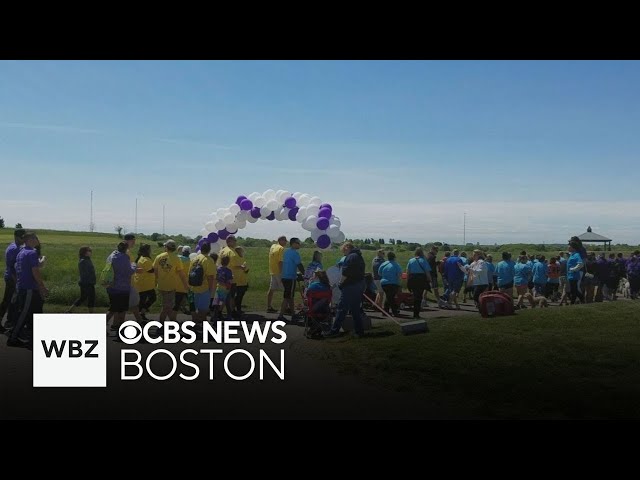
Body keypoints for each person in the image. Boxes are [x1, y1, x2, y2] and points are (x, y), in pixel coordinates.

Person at [7, 232, 47, 347]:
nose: (37, 240)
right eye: (36, 238)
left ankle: (33, 339)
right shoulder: (32, 252)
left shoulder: (22, 252)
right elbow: (35, 271)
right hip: (29, 288)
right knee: (24, 314)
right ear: (31, 240)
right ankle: (13, 338)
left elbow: (18, 267)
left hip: (24, 287)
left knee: (35, 313)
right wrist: (42, 287)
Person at [323, 242, 366, 338]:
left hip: (350, 286)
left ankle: (334, 331)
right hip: (359, 284)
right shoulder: (359, 256)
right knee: (355, 310)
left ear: (347, 248)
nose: (343, 253)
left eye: (343, 250)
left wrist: (340, 283)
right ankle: (359, 331)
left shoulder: (350, 257)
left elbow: (345, 273)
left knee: (342, 309)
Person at [153, 239, 189, 322]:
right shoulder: (176, 259)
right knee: (167, 306)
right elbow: (181, 274)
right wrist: (186, 285)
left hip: (161, 285)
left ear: (166, 247)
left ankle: (171, 321)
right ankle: (163, 323)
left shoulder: (159, 256)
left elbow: (155, 271)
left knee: (167, 305)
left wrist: (156, 282)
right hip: (171, 287)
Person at [106, 241, 137, 334]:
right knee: (122, 309)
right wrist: (134, 265)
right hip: (122, 287)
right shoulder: (124, 257)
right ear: (126, 249)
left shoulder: (112, 255)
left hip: (111, 286)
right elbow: (129, 272)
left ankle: (105, 325)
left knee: (113, 308)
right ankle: (120, 329)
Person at [0, 228, 26, 332]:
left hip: (11, 277)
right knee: (7, 301)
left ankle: (10, 321)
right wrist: (17, 282)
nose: (23, 240)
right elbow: (12, 268)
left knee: (12, 301)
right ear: (16, 237)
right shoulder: (14, 249)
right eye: (22, 238)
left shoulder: (14, 246)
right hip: (11, 278)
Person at [277, 238, 306, 323]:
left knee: (290, 296)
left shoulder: (287, 252)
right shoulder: (295, 253)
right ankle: (281, 315)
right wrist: (305, 274)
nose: (299, 244)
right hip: (290, 277)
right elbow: (299, 265)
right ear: (293, 244)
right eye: (298, 243)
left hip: (285, 276)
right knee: (287, 297)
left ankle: (293, 314)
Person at [189, 241, 217, 326]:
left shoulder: (194, 259)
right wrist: (211, 288)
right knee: (204, 309)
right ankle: (201, 325)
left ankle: (198, 323)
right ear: (209, 250)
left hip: (194, 287)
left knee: (197, 307)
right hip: (204, 287)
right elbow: (210, 276)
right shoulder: (208, 260)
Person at [66, 246, 96, 313]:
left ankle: (70, 311)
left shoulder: (86, 259)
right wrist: (90, 281)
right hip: (87, 283)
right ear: (85, 252)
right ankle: (91, 313)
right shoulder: (83, 261)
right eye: (89, 251)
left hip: (87, 282)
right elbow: (85, 274)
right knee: (90, 298)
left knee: (83, 298)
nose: (90, 252)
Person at [219, 235, 243, 317]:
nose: (236, 242)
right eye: (234, 241)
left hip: (222, 277)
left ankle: (219, 311)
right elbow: (234, 265)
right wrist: (241, 267)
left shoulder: (222, 250)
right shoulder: (231, 252)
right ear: (230, 241)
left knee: (222, 295)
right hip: (230, 278)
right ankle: (231, 311)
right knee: (231, 296)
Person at [406, 248, 431, 319]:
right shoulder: (423, 260)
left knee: (415, 295)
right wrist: (429, 279)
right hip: (421, 279)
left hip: (412, 278)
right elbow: (427, 271)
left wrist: (408, 280)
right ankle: (416, 313)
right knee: (419, 296)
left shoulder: (411, 260)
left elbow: (407, 271)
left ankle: (415, 312)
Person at [134, 243, 156, 321]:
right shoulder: (145, 260)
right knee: (151, 298)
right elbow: (151, 270)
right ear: (147, 250)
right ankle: (140, 315)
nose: (151, 250)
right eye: (150, 249)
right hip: (144, 284)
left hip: (144, 284)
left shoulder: (142, 258)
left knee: (145, 300)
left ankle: (141, 314)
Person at [378, 251, 403, 317]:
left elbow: (379, 273)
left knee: (389, 297)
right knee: (391, 297)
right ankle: (394, 311)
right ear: (394, 257)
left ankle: (385, 311)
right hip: (393, 283)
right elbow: (399, 274)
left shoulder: (384, 264)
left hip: (384, 283)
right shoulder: (396, 265)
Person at [267, 236, 287, 313]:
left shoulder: (273, 246)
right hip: (279, 272)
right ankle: (286, 308)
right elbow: (280, 261)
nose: (286, 242)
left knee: (271, 289)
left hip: (272, 270)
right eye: (285, 241)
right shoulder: (281, 248)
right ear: (281, 241)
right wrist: (282, 273)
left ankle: (269, 306)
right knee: (286, 290)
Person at [214, 256, 234, 320]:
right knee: (226, 302)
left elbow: (216, 278)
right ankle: (228, 316)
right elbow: (230, 281)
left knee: (217, 303)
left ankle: (215, 316)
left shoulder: (218, 269)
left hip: (219, 287)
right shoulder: (229, 271)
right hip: (226, 288)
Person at [174, 245, 191, 316]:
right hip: (188, 286)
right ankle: (196, 321)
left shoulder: (177, 259)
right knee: (192, 303)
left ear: (182, 252)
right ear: (189, 253)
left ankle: (173, 320)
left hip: (177, 285)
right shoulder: (191, 261)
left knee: (176, 304)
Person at [233, 246, 250, 316]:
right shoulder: (243, 260)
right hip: (242, 281)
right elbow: (246, 270)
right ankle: (238, 309)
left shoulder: (234, 259)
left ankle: (233, 309)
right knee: (239, 297)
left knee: (235, 296)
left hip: (235, 280)